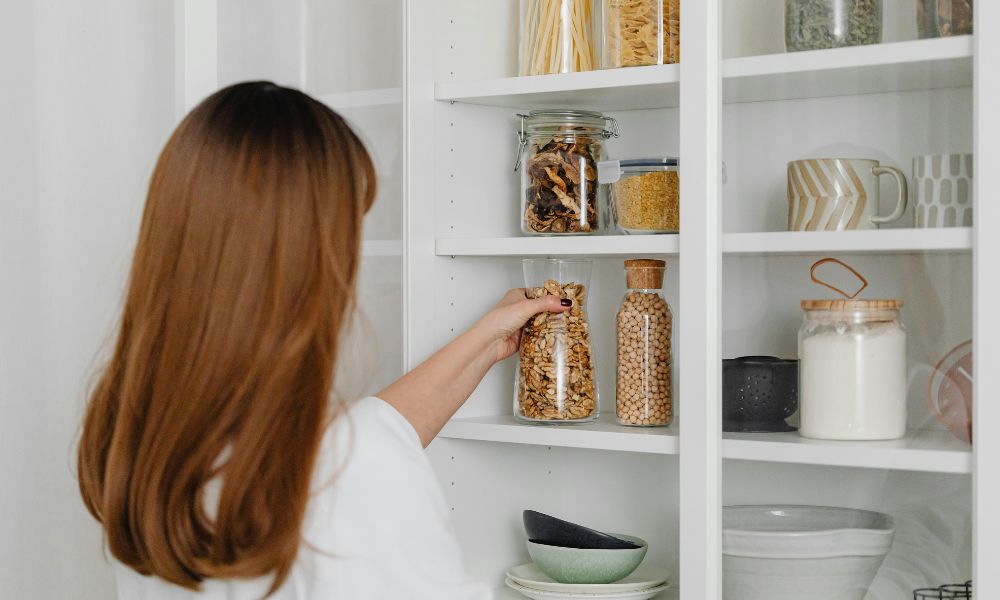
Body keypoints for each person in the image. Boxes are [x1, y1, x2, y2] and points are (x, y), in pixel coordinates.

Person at [77, 81, 570, 599]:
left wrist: (483, 342)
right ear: (307, 258)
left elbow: (353, 436)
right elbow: (351, 455)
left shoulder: (141, 439)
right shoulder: (356, 466)